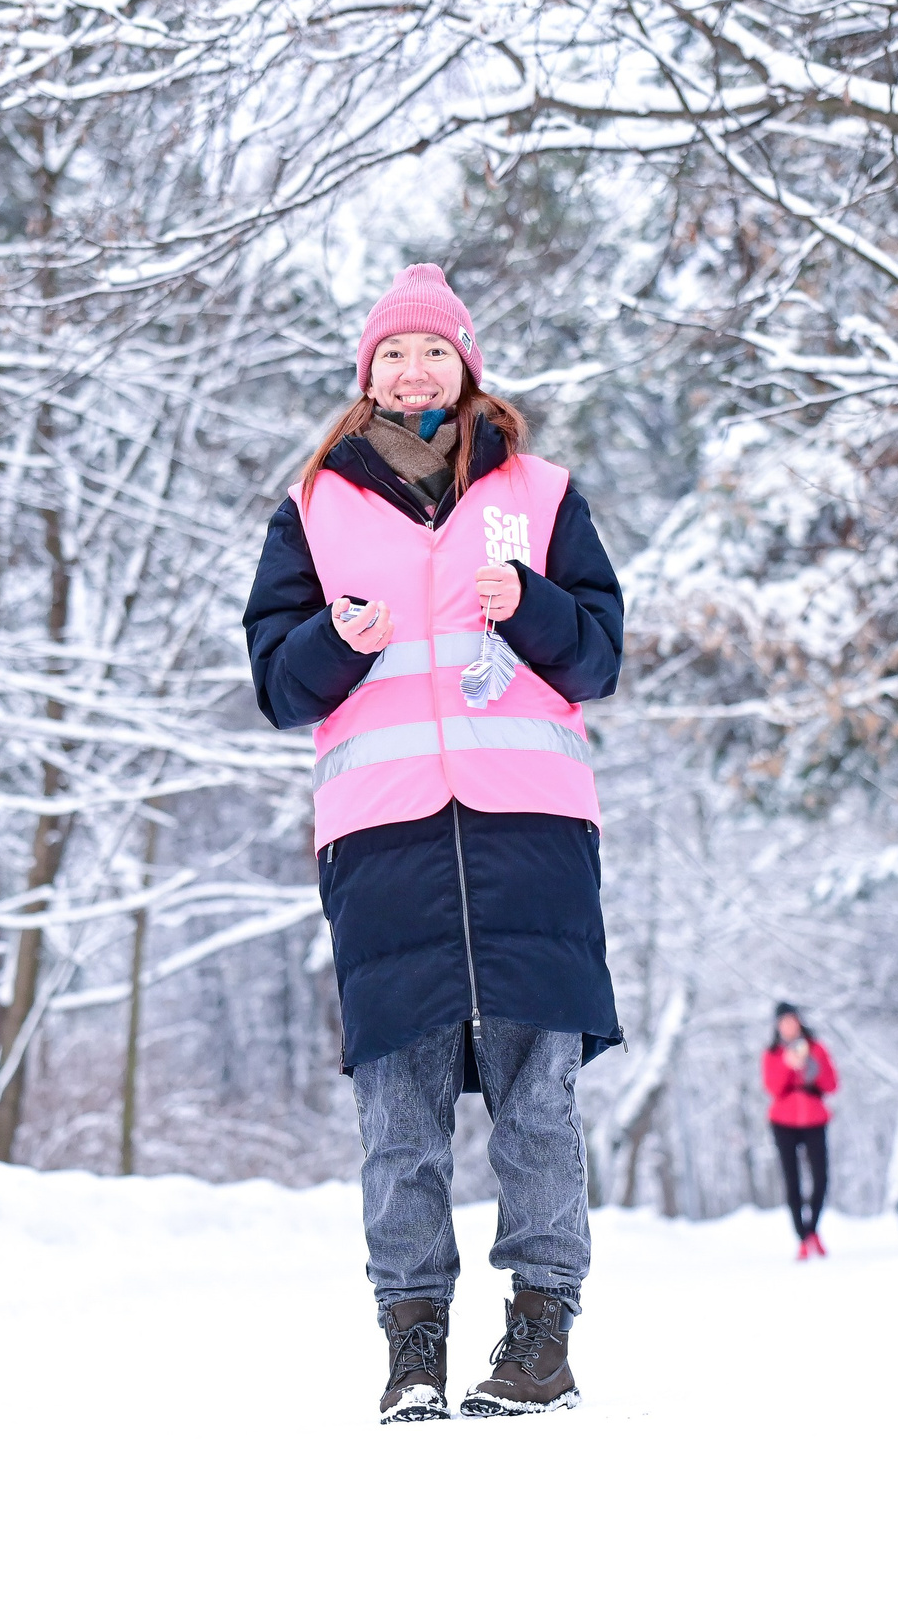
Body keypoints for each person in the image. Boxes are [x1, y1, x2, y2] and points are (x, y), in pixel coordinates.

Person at [243, 264, 623, 1423]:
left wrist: (535, 607)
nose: (413, 371)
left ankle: (540, 1332)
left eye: (433, 352)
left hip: (530, 833)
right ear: (365, 377)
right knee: (397, 1112)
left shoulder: (542, 494)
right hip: (384, 843)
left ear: (466, 367)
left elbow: (597, 655)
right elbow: (275, 682)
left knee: (538, 1102)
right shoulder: (313, 505)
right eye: (391, 355)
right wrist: (332, 643)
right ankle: (413, 1342)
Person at [763, 1003, 838, 1260]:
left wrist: (809, 1064)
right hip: (783, 1122)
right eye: (783, 1022)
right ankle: (802, 1238)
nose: (788, 1026)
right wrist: (787, 1065)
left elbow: (831, 1084)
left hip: (815, 1119)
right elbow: (773, 1088)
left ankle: (813, 1228)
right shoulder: (772, 1054)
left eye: (792, 1020)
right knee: (792, 1181)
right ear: (777, 1026)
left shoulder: (816, 1048)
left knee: (821, 1179)